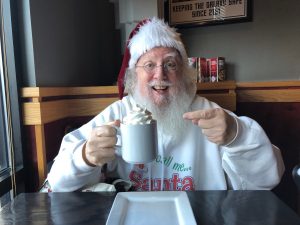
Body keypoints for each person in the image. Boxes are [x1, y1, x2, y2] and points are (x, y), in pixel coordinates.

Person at [46, 17, 285, 192]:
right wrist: (86, 156)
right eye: (149, 65)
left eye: (170, 64)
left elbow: (269, 178)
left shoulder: (210, 114)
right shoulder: (119, 113)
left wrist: (236, 134)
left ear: (184, 74)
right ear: (133, 76)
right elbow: (57, 181)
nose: (159, 75)